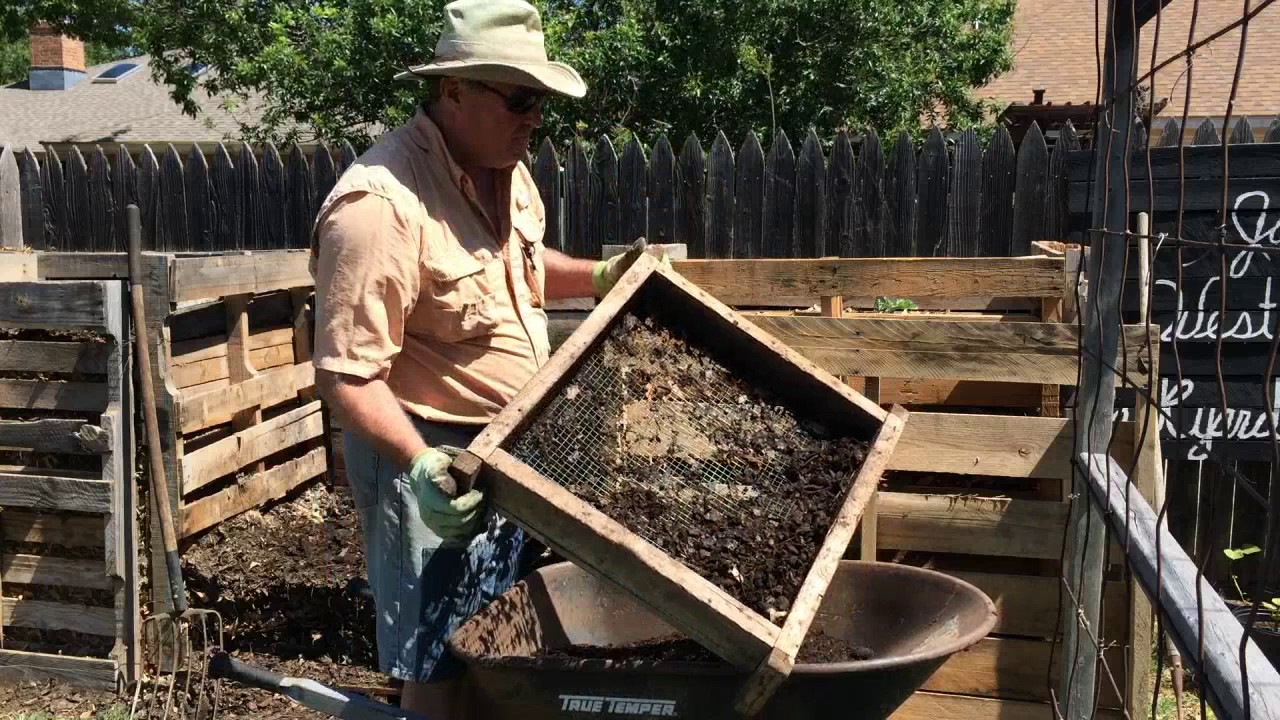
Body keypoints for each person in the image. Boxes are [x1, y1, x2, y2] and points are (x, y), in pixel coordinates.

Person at [309, 1, 664, 717]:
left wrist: (598, 276)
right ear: (454, 91)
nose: (535, 118)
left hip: (510, 447)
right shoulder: (379, 206)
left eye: (540, 102)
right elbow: (347, 375)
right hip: (429, 454)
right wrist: (422, 466)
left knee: (497, 637)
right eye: (520, 99)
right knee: (437, 655)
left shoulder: (509, 171)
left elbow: (518, 269)